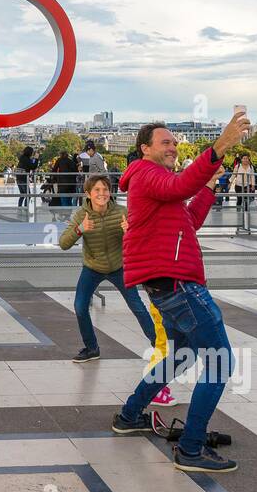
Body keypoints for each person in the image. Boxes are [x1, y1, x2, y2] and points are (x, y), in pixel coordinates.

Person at [109, 111, 250, 473]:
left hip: (166, 286)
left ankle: (129, 415)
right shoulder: (147, 174)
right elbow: (179, 187)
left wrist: (209, 184)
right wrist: (220, 145)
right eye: (165, 142)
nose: (172, 147)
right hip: (180, 285)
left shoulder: (156, 182)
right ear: (145, 149)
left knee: (184, 356)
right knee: (220, 363)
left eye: (174, 142)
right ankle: (190, 449)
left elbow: (190, 219)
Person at [59, 173, 178, 405]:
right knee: (80, 307)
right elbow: (63, 243)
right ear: (88, 194)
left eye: (105, 189)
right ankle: (92, 348)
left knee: (137, 307)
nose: (102, 194)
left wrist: (129, 231)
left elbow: (142, 238)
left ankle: (157, 345)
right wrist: (79, 229)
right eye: (97, 191)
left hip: (119, 267)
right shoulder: (81, 214)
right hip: (92, 267)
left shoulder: (121, 213)